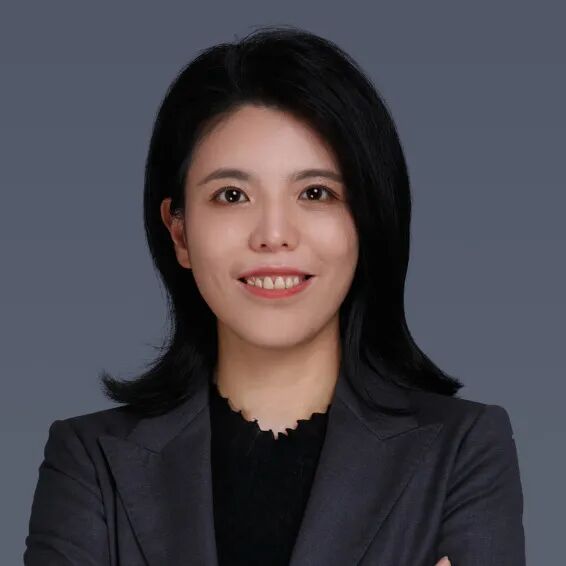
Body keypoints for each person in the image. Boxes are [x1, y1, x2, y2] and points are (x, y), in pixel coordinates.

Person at [23, 25, 525, 566]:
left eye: (316, 192)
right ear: (179, 232)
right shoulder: (90, 462)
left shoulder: (462, 449)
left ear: (368, 221)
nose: (273, 234)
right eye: (231, 195)